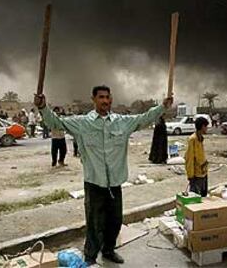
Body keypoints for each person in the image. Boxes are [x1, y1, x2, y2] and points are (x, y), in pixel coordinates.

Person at [35, 85, 173, 266]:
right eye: (101, 97)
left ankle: (108, 250)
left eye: (108, 97)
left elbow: (144, 119)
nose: (105, 101)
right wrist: (43, 107)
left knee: (115, 221)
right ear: (93, 99)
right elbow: (56, 123)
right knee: (93, 223)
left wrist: (163, 106)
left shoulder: (121, 122)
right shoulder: (82, 123)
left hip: (115, 183)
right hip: (94, 183)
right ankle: (90, 256)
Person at [185, 117, 209, 197]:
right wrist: (190, 176)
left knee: (203, 196)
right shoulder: (193, 139)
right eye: (206, 127)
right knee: (195, 197)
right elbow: (189, 159)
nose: (207, 129)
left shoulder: (200, 139)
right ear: (202, 127)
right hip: (196, 176)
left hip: (203, 173)